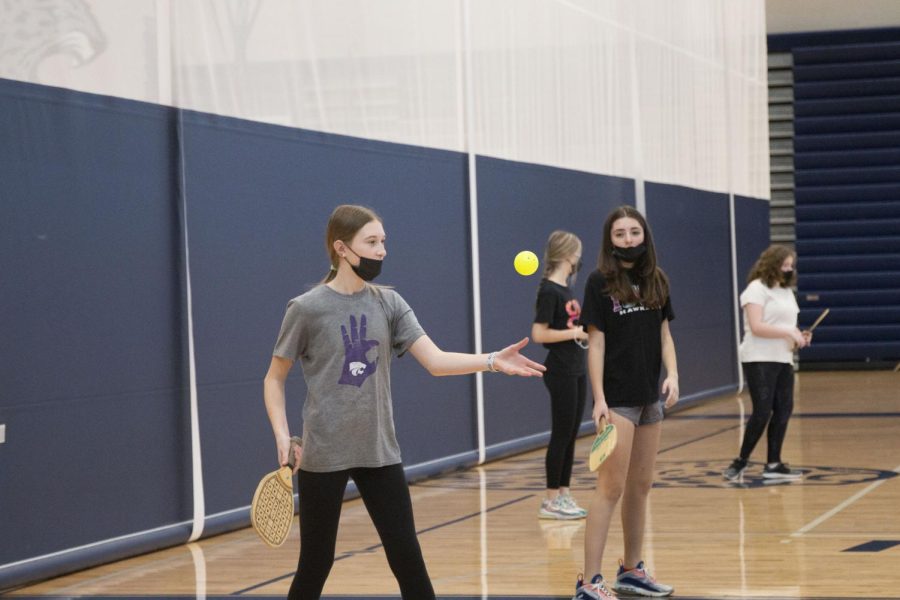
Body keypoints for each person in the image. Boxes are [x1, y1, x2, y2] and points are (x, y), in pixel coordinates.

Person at [263, 204, 545, 600]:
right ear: (341, 248)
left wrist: (493, 361)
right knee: (316, 562)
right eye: (372, 242)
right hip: (323, 453)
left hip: (379, 450)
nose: (382, 251)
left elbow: (436, 360)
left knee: (406, 556)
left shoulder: (389, 304)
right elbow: (274, 379)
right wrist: (281, 435)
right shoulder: (306, 308)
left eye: (383, 242)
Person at [574, 205, 678, 600]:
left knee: (641, 487)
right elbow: (595, 343)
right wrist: (599, 399)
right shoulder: (599, 282)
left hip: (650, 397)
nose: (629, 240)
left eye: (634, 232)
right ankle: (588, 582)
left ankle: (632, 570)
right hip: (617, 401)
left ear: (644, 236)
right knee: (610, 489)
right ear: (610, 240)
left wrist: (673, 373)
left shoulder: (658, 280)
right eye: (620, 234)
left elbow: (665, 335)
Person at [723, 244, 811, 482]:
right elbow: (757, 327)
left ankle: (773, 464)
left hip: (783, 357)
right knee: (762, 411)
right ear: (772, 264)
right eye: (784, 265)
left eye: (791, 266)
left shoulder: (786, 292)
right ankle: (739, 462)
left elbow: (786, 327)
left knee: (784, 409)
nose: (788, 269)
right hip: (759, 357)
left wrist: (799, 336)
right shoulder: (756, 289)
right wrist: (788, 332)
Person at [531, 230, 591, 520]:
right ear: (568, 254)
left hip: (577, 367)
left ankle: (565, 494)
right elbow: (539, 333)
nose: (579, 258)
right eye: (577, 252)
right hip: (560, 370)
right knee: (561, 434)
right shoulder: (549, 291)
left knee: (571, 435)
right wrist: (575, 332)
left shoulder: (566, 288)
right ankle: (550, 500)